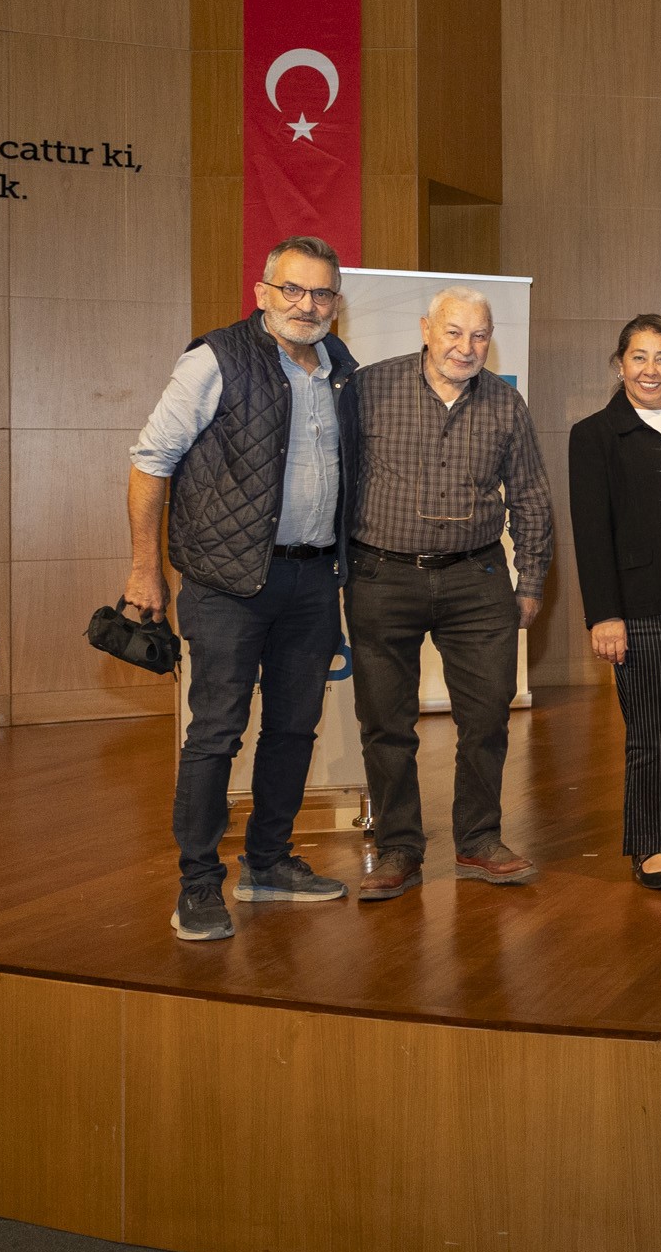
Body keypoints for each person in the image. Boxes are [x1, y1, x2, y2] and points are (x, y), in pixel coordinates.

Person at [127, 235, 356, 941]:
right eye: (292, 289)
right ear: (263, 292)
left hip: (313, 580)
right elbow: (149, 462)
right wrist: (144, 568)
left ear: (335, 304)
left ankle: (269, 862)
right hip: (226, 583)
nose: (306, 305)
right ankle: (198, 884)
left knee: (293, 729)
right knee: (216, 733)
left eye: (321, 293)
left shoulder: (341, 367)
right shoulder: (214, 358)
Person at [342, 285, 555, 900]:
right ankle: (399, 848)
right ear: (426, 330)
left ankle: (479, 840)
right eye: (454, 332)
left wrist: (532, 582)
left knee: (487, 716)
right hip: (382, 576)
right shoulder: (369, 389)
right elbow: (337, 474)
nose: (466, 347)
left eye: (479, 335)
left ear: (491, 341)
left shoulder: (506, 404)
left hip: (477, 578)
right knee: (386, 723)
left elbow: (533, 500)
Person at [569, 315, 661, 891]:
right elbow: (590, 530)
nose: (650, 369)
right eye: (639, 357)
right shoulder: (595, 434)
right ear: (619, 364)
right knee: (650, 722)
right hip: (639, 593)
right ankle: (648, 844)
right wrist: (604, 614)